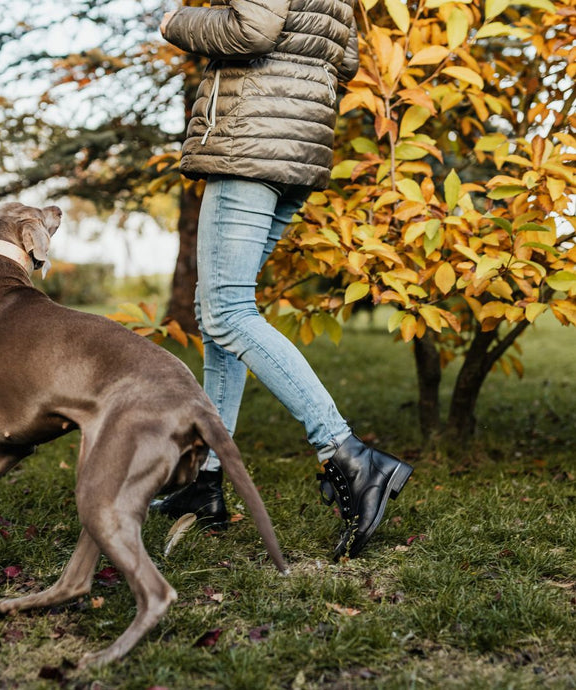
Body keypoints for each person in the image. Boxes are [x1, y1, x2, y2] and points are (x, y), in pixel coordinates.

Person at [152, 0, 413, 559]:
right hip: (296, 145)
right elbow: (343, 56)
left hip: (253, 139)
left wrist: (174, 22)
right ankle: (204, 481)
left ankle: (348, 454)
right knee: (216, 311)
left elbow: (254, 28)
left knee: (227, 312)